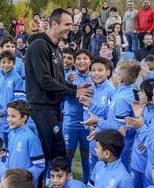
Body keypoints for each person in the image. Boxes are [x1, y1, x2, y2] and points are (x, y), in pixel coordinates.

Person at [25, 8, 92, 176]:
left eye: (72, 24)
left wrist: (76, 89)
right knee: (57, 151)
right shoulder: (39, 45)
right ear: (54, 23)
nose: (70, 27)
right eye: (67, 24)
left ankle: (48, 182)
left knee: (52, 151)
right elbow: (45, 80)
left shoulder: (56, 49)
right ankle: (52, 182)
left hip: (52, 107)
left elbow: (60, 81)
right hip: (42, 107)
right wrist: (73, 92)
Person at [81, 60, 141, 169]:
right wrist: (91, 105)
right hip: (112, 141)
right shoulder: (119, 92)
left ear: (120, 78)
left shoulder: (122, 99)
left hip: (120, 147)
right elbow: (108, 112)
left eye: (114, 73)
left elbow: (118, 129)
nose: (112, 75)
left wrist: (97, 121)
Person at [79, 56, 115, 171]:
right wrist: (88, 125)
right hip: (92, 136)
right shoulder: (90, 88)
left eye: (100, 70)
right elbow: (86, 110)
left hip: (105, 137)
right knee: (93, 168)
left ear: (108, 72)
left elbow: (109, 115)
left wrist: (97, 128)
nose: (96, 73)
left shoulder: (111, 90)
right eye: (93, 70)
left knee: (105, 168)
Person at [62, 50, 92, 184]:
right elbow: (60, 97)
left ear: (90, 61)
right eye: (78, 58)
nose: (81, 61)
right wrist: (69, 85)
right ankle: (67, 183)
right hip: (71, 122)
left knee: (87, 154)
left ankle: (87, 182)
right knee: (68, 154)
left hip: (88, 122)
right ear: (75, 62)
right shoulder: (69, 77)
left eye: (85, 58)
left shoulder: (95, 77)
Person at [6, 100, 45, 188]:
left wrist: (23, 178)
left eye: (13, 116)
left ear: (24, 118)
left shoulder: (31, 138)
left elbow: (40, 165)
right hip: (11, 182)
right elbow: (9, 157)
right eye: (8, 115)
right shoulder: (11, 134)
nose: (9, 119)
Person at [129, 78, 154, 188]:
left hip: (148, 162)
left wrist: (147, 141)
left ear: (151, 97)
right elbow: (137, 128)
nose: (138, 93)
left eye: (142, 91)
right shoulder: (144, 108)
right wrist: (128, 126)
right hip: (136, 160)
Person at [0, 50, 25, 143]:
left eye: (9, 62)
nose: (6, 65)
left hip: (10, 117)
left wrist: (3, 111)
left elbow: (18, 100)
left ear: (13, 63)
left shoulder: (17, 78)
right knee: (0, 144)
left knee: (10, 143)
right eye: (3, 62)